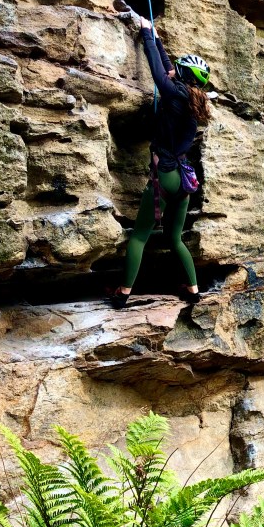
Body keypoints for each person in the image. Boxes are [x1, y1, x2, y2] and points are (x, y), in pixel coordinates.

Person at [110, 17, 211, 309]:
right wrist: (156, 37)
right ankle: (193, 290)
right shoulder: (193, 100)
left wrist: (147, 35)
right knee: (174, 238)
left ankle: (123, 293)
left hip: (165, 175)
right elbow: (168, 68)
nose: (172, 70)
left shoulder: (174, 93)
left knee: (139, 237)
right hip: (184, 180)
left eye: (178, 69)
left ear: (183, 76)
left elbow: (158, 70)